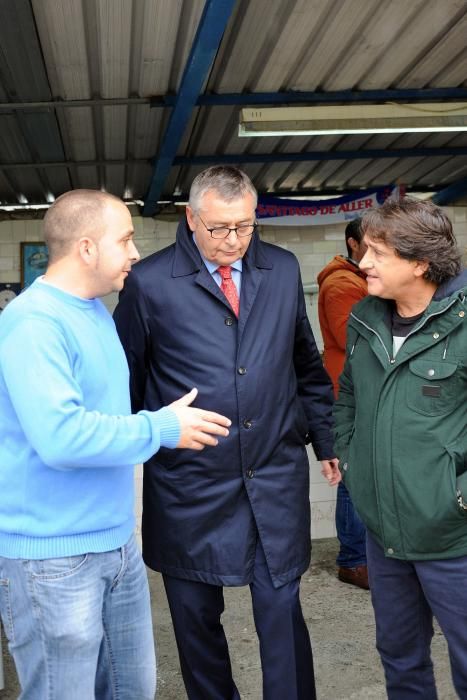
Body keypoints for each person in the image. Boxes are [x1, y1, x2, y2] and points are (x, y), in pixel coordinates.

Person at [114, 166, 340, 700]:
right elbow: (128, 382)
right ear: (191, 218)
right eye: (219, 229)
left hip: (273, 474)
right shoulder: (149, 283)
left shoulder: (281, 270)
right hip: (190, 484)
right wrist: (145, 440)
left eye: (244, 227)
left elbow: (304, 365)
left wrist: (326, 442)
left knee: (281, 609)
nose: (233, 241)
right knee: (195, 621)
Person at [0, 189, 231, 700]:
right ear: (86, 248)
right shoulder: (34, 323)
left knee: (132, 690)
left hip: (114, 543)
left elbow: (104, 418)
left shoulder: (94, 310)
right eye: (125, 239)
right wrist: (161, 427)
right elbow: (62, 437)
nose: (134, 253)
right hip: (52, 559)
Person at [334, 197, 467, 698]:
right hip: (383, 529)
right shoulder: (366, 318)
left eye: (377, 253)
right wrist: (351, 461)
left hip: (454, 536)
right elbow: (348, 395)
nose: (363, 263)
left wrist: (458, 498)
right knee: (399, 655)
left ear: (420, 263)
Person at [317, 218, 369, 589]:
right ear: (353, 243)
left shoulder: (358, 280)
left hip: (363, 389)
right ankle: (353, 560)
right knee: (353, 476)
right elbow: (354, 338)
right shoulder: (341, 284)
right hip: (349, 391)